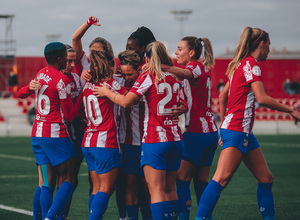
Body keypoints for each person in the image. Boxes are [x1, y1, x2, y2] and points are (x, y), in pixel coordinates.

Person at [195, 27, 300, 220]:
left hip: (241, 131)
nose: (269, 48)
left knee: (266, 179)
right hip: (237, 130)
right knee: (221, 179)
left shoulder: (239, 64)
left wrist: (226, 123)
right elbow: (262, 97)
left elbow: (223, 95)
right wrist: (292, 111)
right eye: (269, 44)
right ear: (261, 44)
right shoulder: (252, 64)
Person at [93, 41, 184, 219]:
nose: (127, 77)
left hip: (153, 140)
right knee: (154, 187)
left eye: (130, 73)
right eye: (124, 73)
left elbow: (126, 101)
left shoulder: (147, 76)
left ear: (144, 63)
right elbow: (182, 97)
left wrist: (107, 93)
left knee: (154, 189)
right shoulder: (172, 75)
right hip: (146, 140)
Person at [17, 42, 83, 220]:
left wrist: (29, 88)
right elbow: (69, 116)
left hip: (37, 134)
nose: (69, 64)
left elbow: (20, 93)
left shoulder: (41, 73)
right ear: (60, 59)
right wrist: (82, 96)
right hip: (55, 135)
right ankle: (50, 218)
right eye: (67, 59)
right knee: (70, 179)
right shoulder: (62, 80)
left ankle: (41, 217)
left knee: (45, 183)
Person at [161, 36, 218, 220]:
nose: (176, 52)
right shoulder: (204, 68)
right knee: (201, 182)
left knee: (181, 179)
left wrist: (160, 66)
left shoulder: (194, 67)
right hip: (209, 132)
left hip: (197, 132)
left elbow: (185, 74)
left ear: (191, 53)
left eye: (179, 49)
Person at [72, 15, 117, 213]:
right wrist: (88, 23)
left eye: (98, 53)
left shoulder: (103, 77)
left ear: (107, 54)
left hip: (91, 136)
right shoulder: (109, 80)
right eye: (92, 52)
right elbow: (75, 39)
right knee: (104, 188)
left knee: (97, 186)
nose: (94, 56)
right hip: (99, 135)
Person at [81, 49, 127, 220]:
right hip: (105, 142)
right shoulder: (108, 84)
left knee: (96, 188)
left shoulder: (87, 84)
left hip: (89, 141)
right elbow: (130, 98)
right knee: (106, 188)